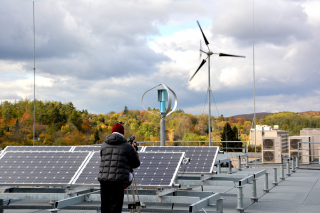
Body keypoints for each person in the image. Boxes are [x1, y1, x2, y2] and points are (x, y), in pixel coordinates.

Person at [98, 123, 140, 213]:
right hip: (118, 182)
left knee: (105, 207)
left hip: (104, 181)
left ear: (112, 132)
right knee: (115, 208)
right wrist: (134, 151)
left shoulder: (104, 145)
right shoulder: (127, 147)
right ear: (122, 133)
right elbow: (136, 163)